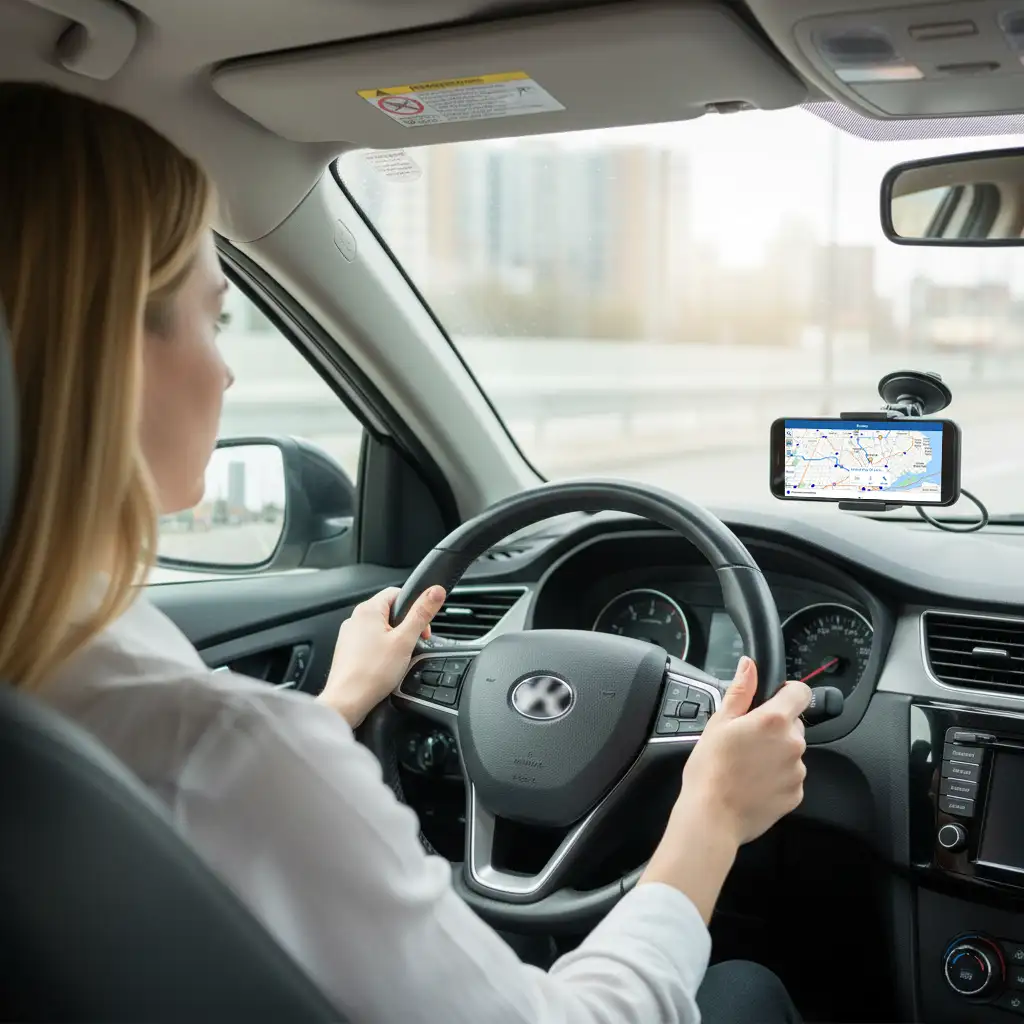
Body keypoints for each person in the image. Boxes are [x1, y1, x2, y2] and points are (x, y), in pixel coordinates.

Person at [0, 81, 809, 1024]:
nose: (225, 371)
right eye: (213, 319)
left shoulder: (85, 694)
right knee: (749, 990)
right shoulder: (227, 747)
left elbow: (200, 797)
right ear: (103, 350)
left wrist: (339, 703)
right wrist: (711, 814)